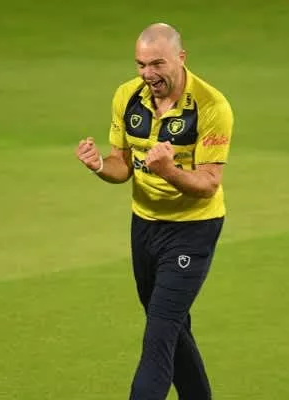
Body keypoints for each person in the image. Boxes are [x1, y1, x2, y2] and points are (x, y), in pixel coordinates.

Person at [76, 22, 233, 400]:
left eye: (157, 64)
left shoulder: (212, 106)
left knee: (159, 332)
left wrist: (168, 171)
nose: (148, 74)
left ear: (181, 58)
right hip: (145, 225)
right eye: (141, 64)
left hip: (193, 228)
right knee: (171, 325)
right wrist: (100, 165)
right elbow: (122, 165)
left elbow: (209, 183)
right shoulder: (127, 96)